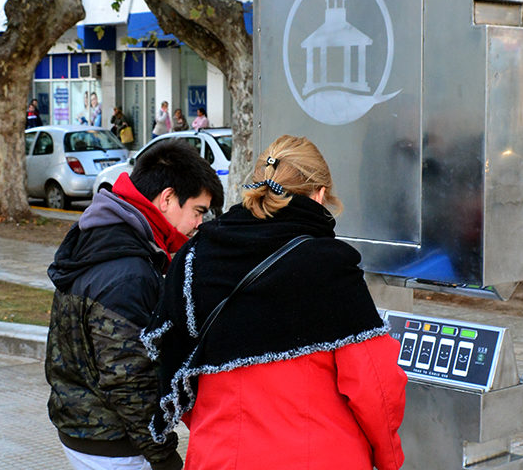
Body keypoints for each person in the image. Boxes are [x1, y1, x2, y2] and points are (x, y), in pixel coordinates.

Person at [144, 135, 407, 470]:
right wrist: (388, 458)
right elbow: (374, 385)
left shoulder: (195, 257)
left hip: (219, 457)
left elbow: (175, 364)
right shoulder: (328, 265)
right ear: (320, 194)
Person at [46, 140, 224, 470]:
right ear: (168, 198)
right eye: (198, 211)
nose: (200, 223)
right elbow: (128, 381)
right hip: (113, 444)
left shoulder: (105, 232)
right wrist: (165, 456)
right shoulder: (129, 271)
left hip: (85, 426)